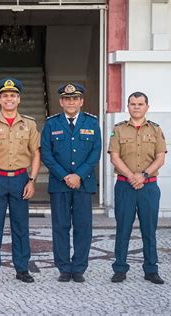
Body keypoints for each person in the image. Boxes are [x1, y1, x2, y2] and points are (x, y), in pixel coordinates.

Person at [0, 78, 41, 284]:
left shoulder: (29, 124)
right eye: (5, 96)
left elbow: (36, 153)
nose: (9, 99)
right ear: (0, 99)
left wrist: (32, 180)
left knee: (21, 226)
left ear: (19, 99)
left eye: (13, 95)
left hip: (21, 179)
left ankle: (22, 268)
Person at [40, 83, 101, 283]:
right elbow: (47, 154)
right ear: (61, 102)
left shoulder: (92, 123)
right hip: (60, 184)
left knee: (83, 227)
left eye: (75, 98)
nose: (71, 102)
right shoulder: (51, 124)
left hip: (84, 184)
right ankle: (64, 268)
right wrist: (65, 176)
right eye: (67, 99)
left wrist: (78, 175)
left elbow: (95, 153)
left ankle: (79, 268)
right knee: (60, 226)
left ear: (81, 101)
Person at [108, 91, 167, 284]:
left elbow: (160, 157)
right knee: (123, 229)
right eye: (132, 104)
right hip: (125, 186)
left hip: (149, 188)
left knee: (149, 230)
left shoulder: (156, 130)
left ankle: (151, 270)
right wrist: (131, 176)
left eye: (140, 104)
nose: (136, 107)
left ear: (147, 107)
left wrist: (144, 175)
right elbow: (114, 156)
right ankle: (120, 269)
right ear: (128, 106)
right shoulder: (118, 129)